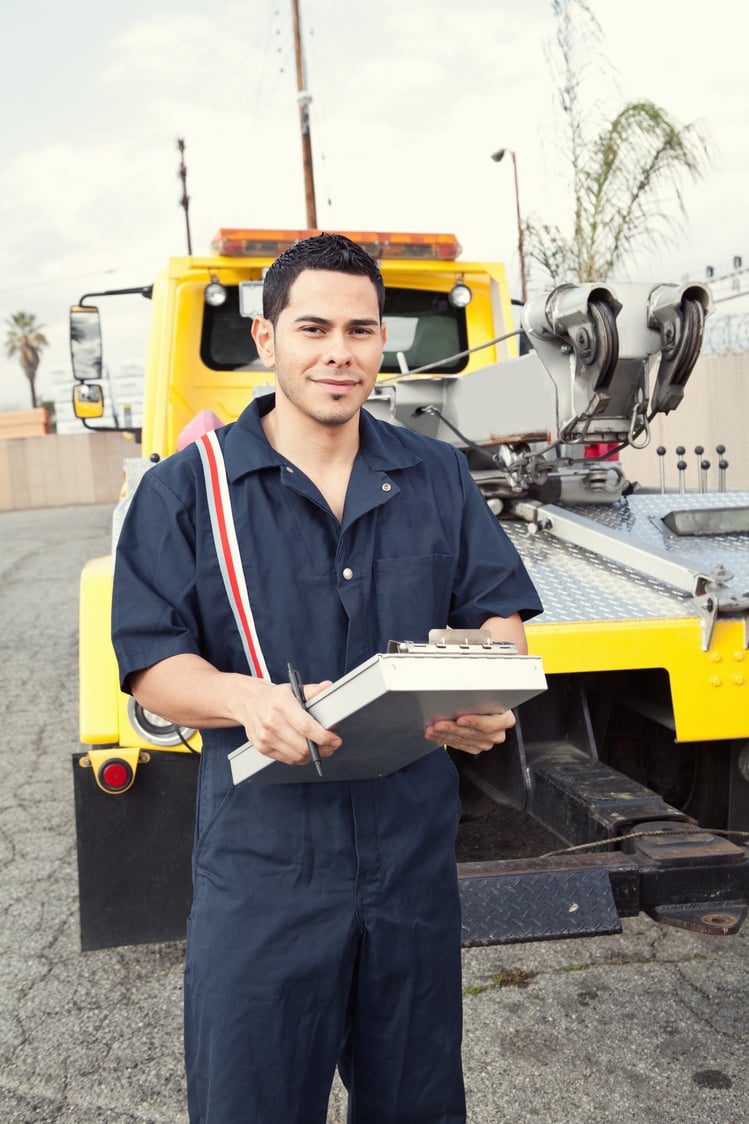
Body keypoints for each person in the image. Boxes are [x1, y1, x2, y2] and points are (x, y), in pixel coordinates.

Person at [111, 233, 543, 1124]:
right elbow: (153, 664)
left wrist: (482, 688)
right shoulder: (188, 492)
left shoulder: (434, 477)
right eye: (312, 328)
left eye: (360, 329)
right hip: (265, 860)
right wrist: (242, 698)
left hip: (412, 857)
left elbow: (497, 613)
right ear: (268, 341)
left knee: (416, 1103)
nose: (337, 353)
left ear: (383, 342)